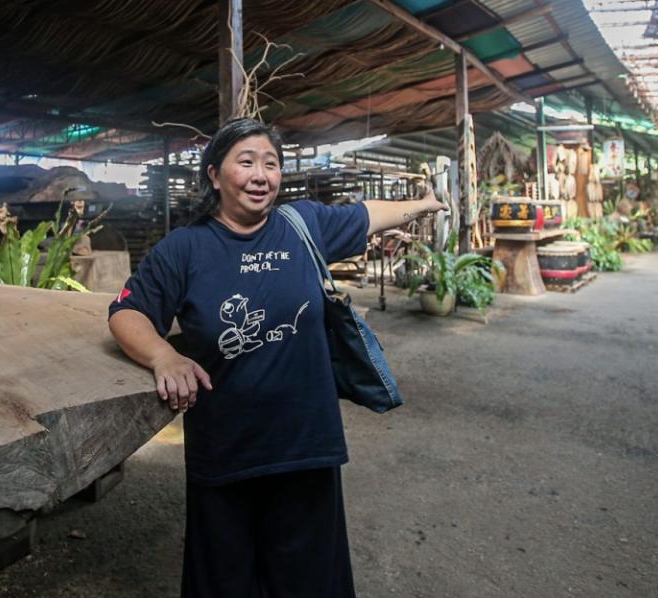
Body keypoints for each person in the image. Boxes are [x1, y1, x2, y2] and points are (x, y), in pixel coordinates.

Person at [107, 118, 447, 598]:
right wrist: (164, 356)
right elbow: (127, 312)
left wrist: (424, 204)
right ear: (214, 174)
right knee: (225, 582)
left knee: (309, 581)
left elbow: (366, 214)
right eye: (245, 162)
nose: (260, 175)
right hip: (226, 449)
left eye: (271, 164)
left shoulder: (302, 225)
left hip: (306, 444)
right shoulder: (184, 249)